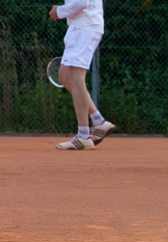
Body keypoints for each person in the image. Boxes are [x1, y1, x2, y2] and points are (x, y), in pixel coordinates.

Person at [50, 0, 115, 151]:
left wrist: (59, 11)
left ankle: (83, 136)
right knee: (64, 76)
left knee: (76, 78)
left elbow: (81, 2)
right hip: (79, 27)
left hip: (85, 27)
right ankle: (99, 122)